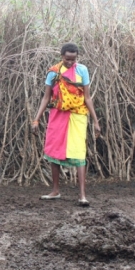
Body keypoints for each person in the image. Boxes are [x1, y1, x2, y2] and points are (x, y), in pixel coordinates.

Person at [32, 43, 101, 206]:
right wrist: (36, 119)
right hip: (57, 114)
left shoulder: (82, 70)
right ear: (61, 56)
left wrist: (96, 121)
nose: (70, 62)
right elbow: (46, 98)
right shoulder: (53, 72)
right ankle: (55, 190)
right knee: (53, 150)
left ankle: (82, 195)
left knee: (79, 152)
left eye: (73, 59)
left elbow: (87, 97)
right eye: (67, 59)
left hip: (78, 115)